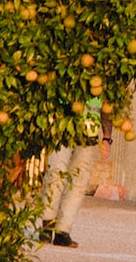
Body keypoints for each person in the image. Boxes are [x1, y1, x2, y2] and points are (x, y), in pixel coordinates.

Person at [41, 99, 106, 248]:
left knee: (78, 182)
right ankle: (47, 223)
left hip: (89, 134)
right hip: (62, 129)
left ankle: (63, 230)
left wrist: (107, 136)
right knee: (55, 174)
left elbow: (108, 108)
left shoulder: (102, 81)